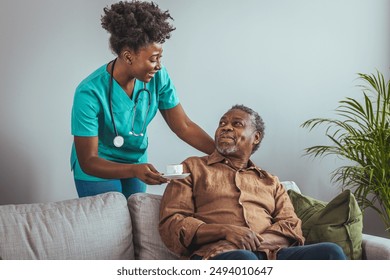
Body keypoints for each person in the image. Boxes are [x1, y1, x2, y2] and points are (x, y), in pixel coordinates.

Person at [159, 104, 346, 260]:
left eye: (236, 124)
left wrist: (247, 242)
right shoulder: (191, 168)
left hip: (271, 254)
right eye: (222, 123)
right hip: (217, 255)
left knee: (331, 252)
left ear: (255, 137)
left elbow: (291, 227)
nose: (226, 127)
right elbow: (173, 224)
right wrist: (225, 231)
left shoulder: (271, 182)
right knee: (245, 259)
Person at [70, 1, 214, 199]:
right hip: (98, 167)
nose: (159, 66)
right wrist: (133, 170)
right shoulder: (89, 92)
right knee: (110, 223)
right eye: (153, 59)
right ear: (128, 57)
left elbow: (184, 126)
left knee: (135, 221)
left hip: (136, 162)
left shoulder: (159, 78)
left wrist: (223, 155)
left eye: (160, 58)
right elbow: (88, 160)